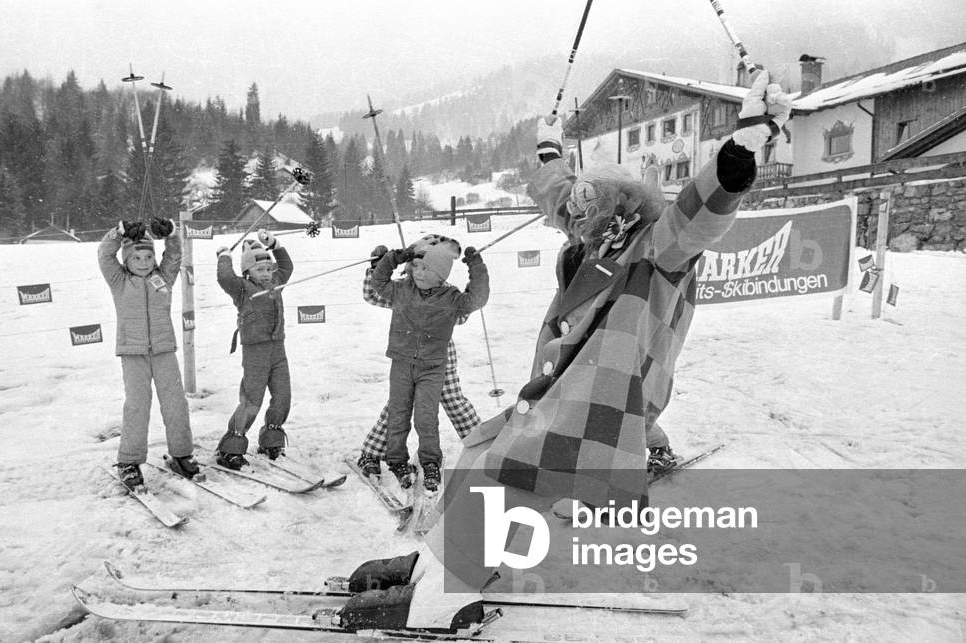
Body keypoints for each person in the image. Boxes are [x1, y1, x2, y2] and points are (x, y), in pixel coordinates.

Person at [334, 70, 792, 633]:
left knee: (507, 474)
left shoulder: (657, 248)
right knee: (480, 453)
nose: (573, 220)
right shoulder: (591, 234)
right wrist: (549, 150)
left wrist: (738, 152)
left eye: (587, 211)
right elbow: (558, 195)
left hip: (603, 403)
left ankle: (445, 596)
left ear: (620, 213)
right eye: (575, 212)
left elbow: (699, 216)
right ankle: (433, 562)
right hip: (562, 391)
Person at [370, 235, 490, 494]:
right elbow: (378, 283)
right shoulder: (402, 290)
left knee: (426, 417)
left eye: (427, 269)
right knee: (398, 414)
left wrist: (476, 266)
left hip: (432, 367)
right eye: (416, 267)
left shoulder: (451, 298)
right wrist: (394, 257)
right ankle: (396, 460)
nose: (419, 273)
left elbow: (477, 299)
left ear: (442, 275)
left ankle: (430, 461)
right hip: (401, 363)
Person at [98, 217, 199, 488]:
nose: (143, 262)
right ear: (127, 261)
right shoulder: (119, 281)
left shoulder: (163, 277)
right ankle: (129, 461)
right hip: (133, 352)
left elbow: (175, 253)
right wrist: (118, 232)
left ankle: (181, 454)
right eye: (137, 257)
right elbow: (104, 254)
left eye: (148, 257)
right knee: (137, 406)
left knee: (176, 403)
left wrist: (172, 234)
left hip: (164, 350)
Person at [214, 229, 294, 469]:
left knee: (282, 396)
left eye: (269, 269)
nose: (267, 274)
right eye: (260, 270)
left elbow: (286, 267)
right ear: (247, 271)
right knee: (252, 399)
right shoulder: (241, 288)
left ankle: (271, 440)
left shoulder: (276, 282)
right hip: (255, 351)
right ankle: (231, 447)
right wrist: (224, 256)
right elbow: (224, 278)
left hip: (278, 349)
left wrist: (275, 245)